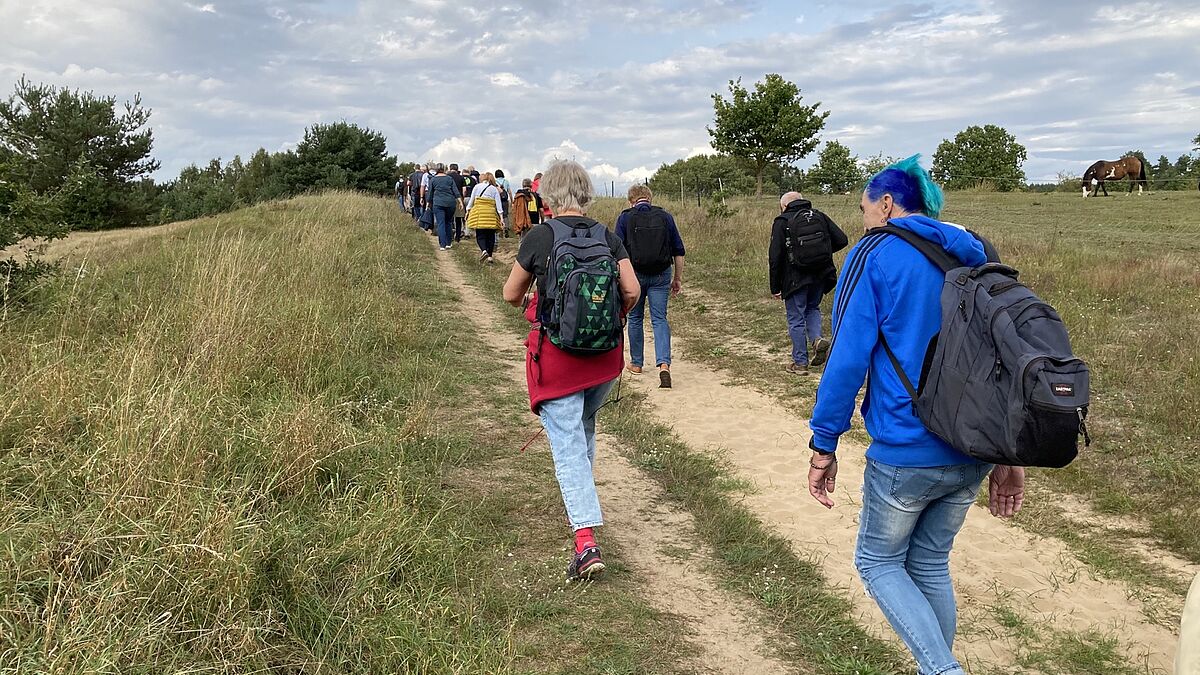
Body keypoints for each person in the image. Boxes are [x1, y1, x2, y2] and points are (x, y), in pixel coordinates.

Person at [806, 155, 1026, 675]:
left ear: (886, 204)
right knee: (928, 562)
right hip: (974, 445)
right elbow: (1003, 358)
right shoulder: (975, 253)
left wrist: (824, 442)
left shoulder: (876, 253)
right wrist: (1006, 454)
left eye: (863, 207)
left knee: (877, 561)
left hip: (908, 447)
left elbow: (847, 358)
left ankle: (943, 670)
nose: (861, 218)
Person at [501, 159, 640, 580]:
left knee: (566, 445)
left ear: (549, 194)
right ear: (585, 192)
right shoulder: (607, 235)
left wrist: (540, 306)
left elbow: (510, 294)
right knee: (584, 429)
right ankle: (581, 504)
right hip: (604, 357)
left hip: (558, 358)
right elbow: (631, 290)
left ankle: (585, 541)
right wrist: (610, 319)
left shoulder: (542, 237)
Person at [768, 191, 848, 375]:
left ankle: (800, 363)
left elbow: (775, 256)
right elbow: (842, 240)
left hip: (795, 279)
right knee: (813, 308)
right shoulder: (818, 216)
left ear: (784, 206)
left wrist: (775, 286)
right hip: (821, 275)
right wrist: (822, 251)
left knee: (796, 318)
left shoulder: (782, 222)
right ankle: (817, 339)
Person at [614, 184, 685, 388]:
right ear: (649, 198)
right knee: (659, 318)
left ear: (631, 201)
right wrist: (677, 279)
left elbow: (617, 251)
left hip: (634, 275)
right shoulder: (665, 217)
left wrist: (619, 280)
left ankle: (636, 363)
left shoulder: (625, 218)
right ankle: (664, 364)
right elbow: (678, 251)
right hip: (661, 274)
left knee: (635, 317)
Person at [466, 171, 504, 263]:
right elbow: (498, 205)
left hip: (479, 214)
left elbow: (471, 201)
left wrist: (468, 211)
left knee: (480, 235)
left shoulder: (477, 187)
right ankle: (490, 256)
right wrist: (501, 218)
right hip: (491, 214)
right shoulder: (494, 189)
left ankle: (484, 251)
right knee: (491, 236)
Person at [427, 163, 464, 250]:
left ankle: (442, 244)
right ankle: (448, 243)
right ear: (444, 169)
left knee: (441, 223)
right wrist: (460, 202)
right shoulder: (449, 179)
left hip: (438, 203)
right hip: (450, 203)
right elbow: (455, 191)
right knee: (448, 222)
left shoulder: (433, 180)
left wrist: (428, 203)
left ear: (436, 170)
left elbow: (430, 193)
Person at [449, 163, 467, 242]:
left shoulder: (448, 177)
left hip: (449, 198)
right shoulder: (461, 178)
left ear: (450, 168)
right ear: (457, 169)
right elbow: (464, 190)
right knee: (458, 219)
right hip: (459, 199)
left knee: (449, 218)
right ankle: (458, 238)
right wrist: (462, 198)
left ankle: (450, 235)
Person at [494, 169, 513, 236]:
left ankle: (499, 230)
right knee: (505, 215)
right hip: (505, 201)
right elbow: (509, 192)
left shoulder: (495, 181)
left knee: (498, 214)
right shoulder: (506, 181)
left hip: (497, 200)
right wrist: (512, 200)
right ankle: (506, 228)